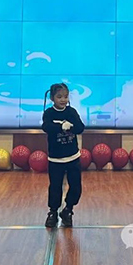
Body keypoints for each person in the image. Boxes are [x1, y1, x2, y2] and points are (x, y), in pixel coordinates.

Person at [41, 82, 85, 228]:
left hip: (73, 157)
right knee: (55, 187)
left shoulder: (71, 112)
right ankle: (53, 212)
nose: (63, 100)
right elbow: (46, 127)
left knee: (76, 186)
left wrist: (71, 126)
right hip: (55, 159)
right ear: (52, 98)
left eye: (65, 96)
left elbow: (80, 128)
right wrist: (60, 126)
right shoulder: (49, 113)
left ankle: (68, 210)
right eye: (59, 97)